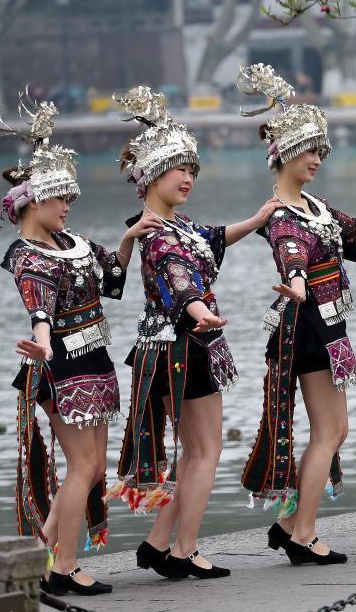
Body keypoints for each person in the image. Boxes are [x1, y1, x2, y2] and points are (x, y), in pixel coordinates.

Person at [234, 64, 356, 565]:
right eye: (309, 150)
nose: (317, 159)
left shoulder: (315, 206)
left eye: (321, 150)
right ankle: (302, 534)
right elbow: (292, 257)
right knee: (329, 432)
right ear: (285, 154)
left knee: (333, 430)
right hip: (309, 327)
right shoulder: (281, 215)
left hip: (327, 324)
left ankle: (289, 525)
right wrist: (296, 284)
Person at [106, 86, 277, 579]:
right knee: (204, 451)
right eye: (178, 170)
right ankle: (184, 549)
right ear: (151, 176)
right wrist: (202, 312)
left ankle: (158, 543)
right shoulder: (157, 235)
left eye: (191, 171)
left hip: (168, 345)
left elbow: (212, 238)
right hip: (183, 345)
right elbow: (179, 280)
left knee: (195, 452)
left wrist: (256, 220)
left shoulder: (176, 224)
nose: (187, 178)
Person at [0, 96, 148, 595]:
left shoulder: (70, 242)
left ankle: (42, 553)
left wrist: (130, 238)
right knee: (82, 466)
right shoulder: (27, 256)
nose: (66, 207)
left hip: (95, 359)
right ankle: (62, 567)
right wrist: (42, 345)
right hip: (61, 365)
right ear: (33, 202)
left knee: (92, 467)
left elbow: (112, 279)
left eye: (69, 199)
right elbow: (39, 310)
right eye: (59, 199)